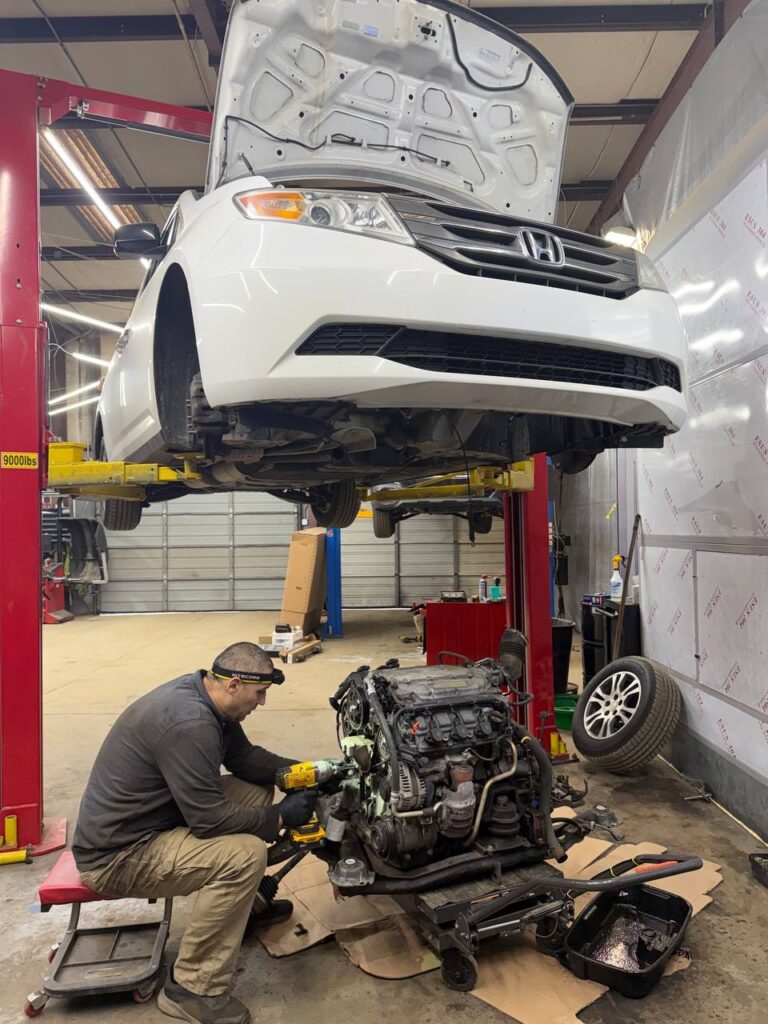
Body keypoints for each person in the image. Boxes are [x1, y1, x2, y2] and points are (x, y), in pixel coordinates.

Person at [72, 641, 317, 1024]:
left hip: (154, 816)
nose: (263, 702)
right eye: (259, 693)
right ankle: (192, 989)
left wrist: (311, 772)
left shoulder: (207, 696)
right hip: (119, 855)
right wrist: (281, 817)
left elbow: (244, 759)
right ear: (234, 684)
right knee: (244, 856)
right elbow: (210, 820)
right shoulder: (190, 723)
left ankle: (239, 911)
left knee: (254, 790)